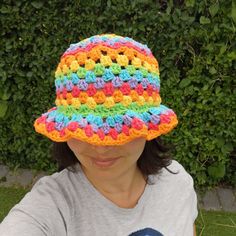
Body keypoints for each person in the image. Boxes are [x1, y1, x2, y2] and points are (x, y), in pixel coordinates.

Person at [0, 34, 198, 236]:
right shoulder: (51, 206)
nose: (101, 147)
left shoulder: (178, 183)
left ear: (148, 127)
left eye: (120, 128)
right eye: (84, 130)